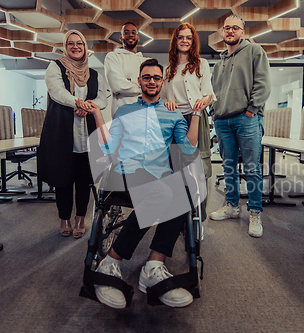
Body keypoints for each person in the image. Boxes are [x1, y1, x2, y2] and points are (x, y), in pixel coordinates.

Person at [84, 58, 202, 309]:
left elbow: (189, 148)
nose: (151, 81)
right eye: (146, 77)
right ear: (139, 81)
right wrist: (97, 114)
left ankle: (154, 265)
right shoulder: (124, 112)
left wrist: (196, 114)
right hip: (128, 173)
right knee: (163, 192)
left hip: (159, 174)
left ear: (162, 82)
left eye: (156, 78)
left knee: (184, 189)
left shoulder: (172, 113)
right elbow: (108, 146)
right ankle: (111, 261)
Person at [38, 30, 108, 238]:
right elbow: (57, 92)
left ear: (85, 46)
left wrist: (88, 106)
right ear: (65, 46)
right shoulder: (55, 67)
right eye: (71, 43)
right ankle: (64, 218)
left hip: (86, 134)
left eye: (79, 43)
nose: (75, 47)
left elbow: (103, 98)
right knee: (63, 178)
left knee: (84, 178)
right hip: (62, 132)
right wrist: (78, 103)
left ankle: (80, 218)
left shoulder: (94, 74)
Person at [208, 14, 272, 238]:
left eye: (235, 28)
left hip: (247, 118)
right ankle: (232, 206)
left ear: (242, 32)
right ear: (222, 32)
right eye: (226, 28)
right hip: (223, 120)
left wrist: (252, 109)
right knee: (228, 167)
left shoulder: (255, 51)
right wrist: (214, 114)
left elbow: (263, 83)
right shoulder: (219, 63)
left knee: (252, 168)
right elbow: (214, 92)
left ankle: (255, 211)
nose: (230, 31)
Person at [160, 23, 215, 224]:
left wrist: (204, 101)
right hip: (175, 122)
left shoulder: (202, 64)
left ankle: (198, 218)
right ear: (175, 41)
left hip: (196, 117)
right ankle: (180, 219)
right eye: (180, 37)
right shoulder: (168, 70)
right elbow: (163, 98)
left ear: (193, 42)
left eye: (188, 38)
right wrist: (167, 101)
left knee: (199, 168)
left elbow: (209, 93)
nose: (184, 40)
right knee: (177, 169)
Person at [104, 22, 147, 117]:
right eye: (126, 32)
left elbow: (155, 87)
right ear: (120, 37)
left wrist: (129, 82)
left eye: (133, 32)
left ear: (138, 37)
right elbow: (118, 86)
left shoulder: (146, 61)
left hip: (144, 114)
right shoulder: (112, 57)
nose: (130, 34)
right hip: (122, 115)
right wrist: (143, 88)